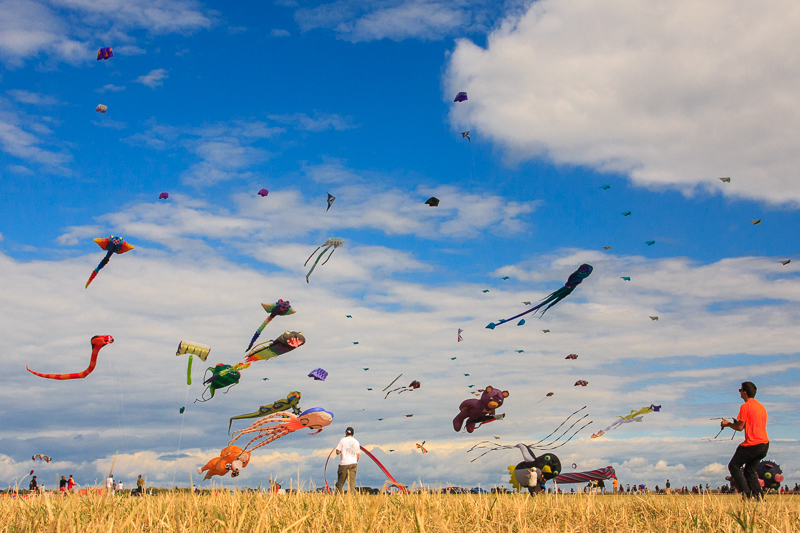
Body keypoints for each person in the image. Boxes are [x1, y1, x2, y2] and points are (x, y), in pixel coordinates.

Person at [721, 381, 769, 500]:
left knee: (733, 466)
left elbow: (739, 428)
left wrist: (727, 424)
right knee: (749, 471)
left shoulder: (745, 406)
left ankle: (747, 494)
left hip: (752, 444)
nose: (739, 392)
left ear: (745, 392)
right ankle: (759, 498)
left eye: (740, 390)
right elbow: (752, 424)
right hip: (764, 445)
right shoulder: (761, 407)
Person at [334, 427, 360, 494]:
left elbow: (338, 452)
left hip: (344, 463)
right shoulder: (356, 442)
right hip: (353, 463)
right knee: (352, 483)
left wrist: (338, 449)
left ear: (346, 432)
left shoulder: (342, 440)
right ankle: (352, 498)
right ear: (353, 433)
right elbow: (357, 456)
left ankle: (338, 496)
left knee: (340, 482)